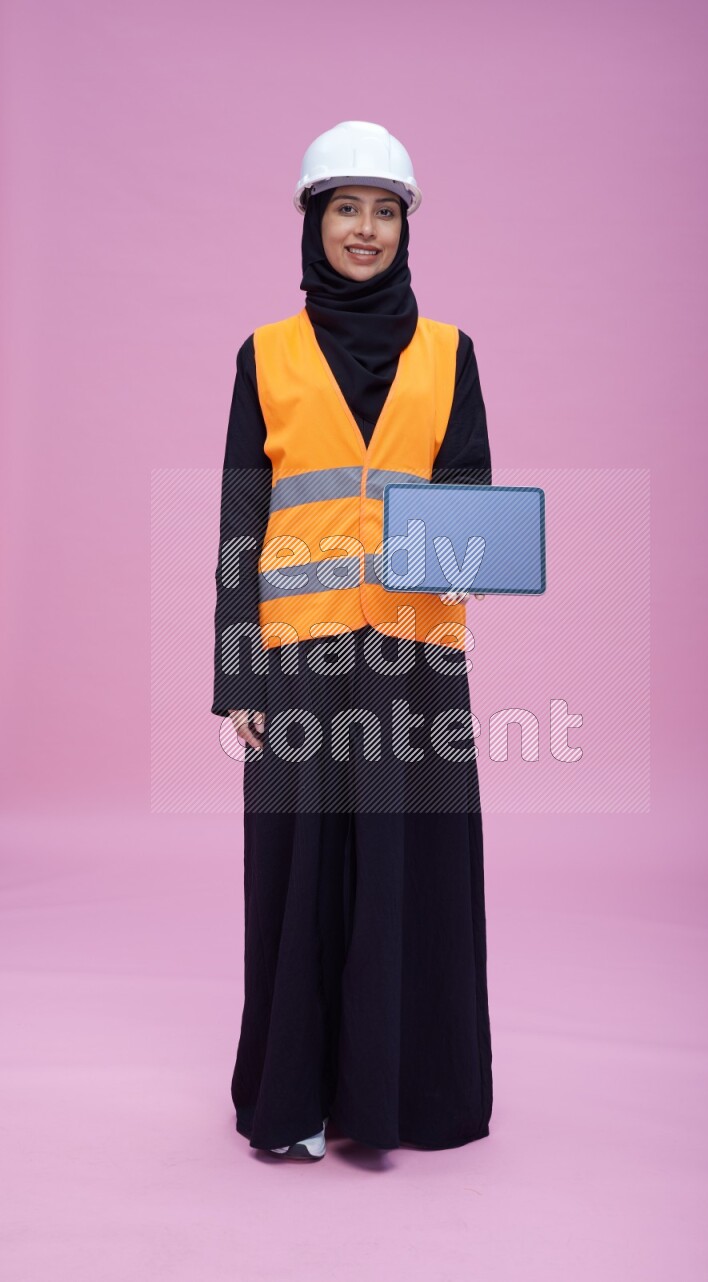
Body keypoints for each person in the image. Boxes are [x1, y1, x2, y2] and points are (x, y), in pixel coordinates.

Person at [211, 120, 493, 1160]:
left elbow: (470, 496)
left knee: (409, 869)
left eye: (384, 211)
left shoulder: (451, 353)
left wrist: (468, 552)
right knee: (299, 874)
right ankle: (294, 1102)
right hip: (299, 659)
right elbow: (242, 525)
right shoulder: (266, 356)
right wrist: (235, 673)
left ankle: (405, 1100)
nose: (365, 229)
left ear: (406, 226)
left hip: (416, 657)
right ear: (313, 221)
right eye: (345, 208)